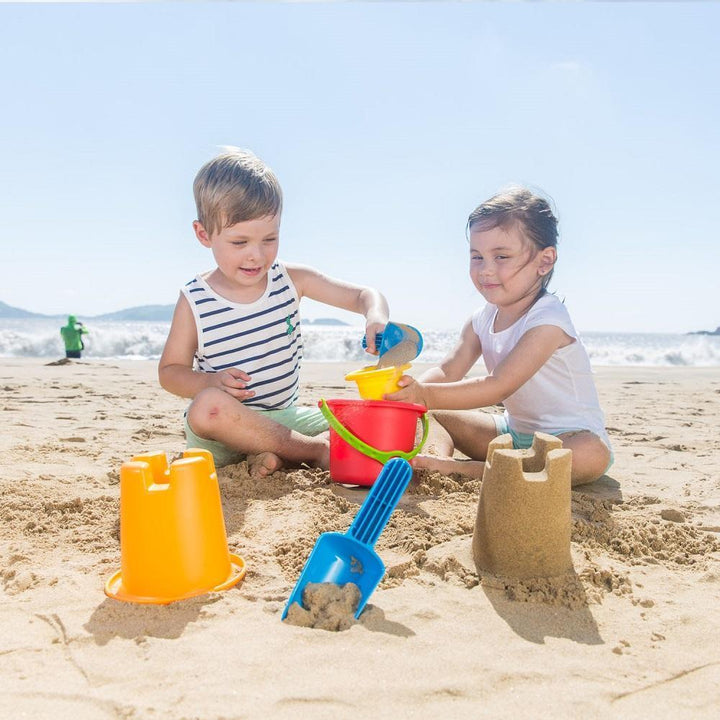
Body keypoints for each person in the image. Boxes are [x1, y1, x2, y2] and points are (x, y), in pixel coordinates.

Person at [159, 147, 389, 477]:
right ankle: (315, 451)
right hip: (223, 428)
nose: (256, 255)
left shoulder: (292, 280)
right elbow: (170, 371)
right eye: (240, 243)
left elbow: (365, 296)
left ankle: (277, 454)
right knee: (206, 407)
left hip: (283, 419)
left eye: (270, 239)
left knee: (366, 419)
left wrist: (374, 315)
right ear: (203, 234)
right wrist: (210, 381)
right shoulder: (195, 298)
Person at [387, 187, 612, 486]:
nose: (485, 270)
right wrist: (406, 397)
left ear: (544, 262)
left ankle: (468, 471)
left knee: (588, 455)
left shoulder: (548, 320)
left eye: (501, 256)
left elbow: (499, 385)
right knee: (430, 414)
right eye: (477, 257)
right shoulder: (481, 320)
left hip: (568, 438)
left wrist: (424, 395)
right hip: (511, 434)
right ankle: (433, 463)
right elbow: (447, 370)